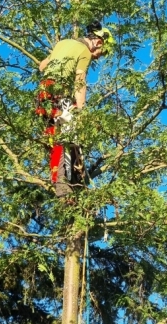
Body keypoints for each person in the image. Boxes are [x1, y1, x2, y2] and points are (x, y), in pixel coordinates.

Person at [36, 21, 115, 197]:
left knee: (54, 139)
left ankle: (60, 181)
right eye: (101, 53)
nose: (98, 57)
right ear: (99, 42)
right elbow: (80, 82)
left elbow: (42, 66)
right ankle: (65, 187)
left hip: (43, 94)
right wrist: (80, 111)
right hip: (59, 93)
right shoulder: (85, 51)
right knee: (69, 138)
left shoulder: (62, 43)